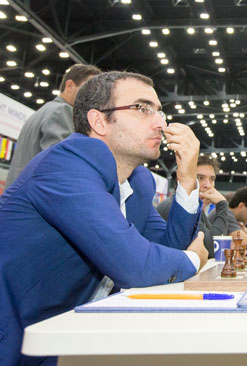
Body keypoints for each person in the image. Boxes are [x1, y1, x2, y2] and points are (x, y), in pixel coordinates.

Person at [0, 71, 209, 365]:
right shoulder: (67, 164)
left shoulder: (139, 182)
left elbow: (167, 250)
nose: (161, 123)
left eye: (160, 111)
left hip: (71, 339)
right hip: (17, 343)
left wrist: (186, 179)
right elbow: (137, 266)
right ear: (99, 121)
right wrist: (194, 259)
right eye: (142, 108)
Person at [6, 64, 102, 187]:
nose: (92, 96)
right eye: (88, 89)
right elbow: (60, 162)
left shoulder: (43, 111)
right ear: (69, 85)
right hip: (35, 197)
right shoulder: (62, 110)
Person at [156, 155, 229, 258]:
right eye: (200, 178)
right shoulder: (175, 207)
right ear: (181, 178)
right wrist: (222, 204)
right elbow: (214, 248)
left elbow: (213, 240)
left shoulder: (194, 207)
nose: (208, 185)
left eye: (212, 179)